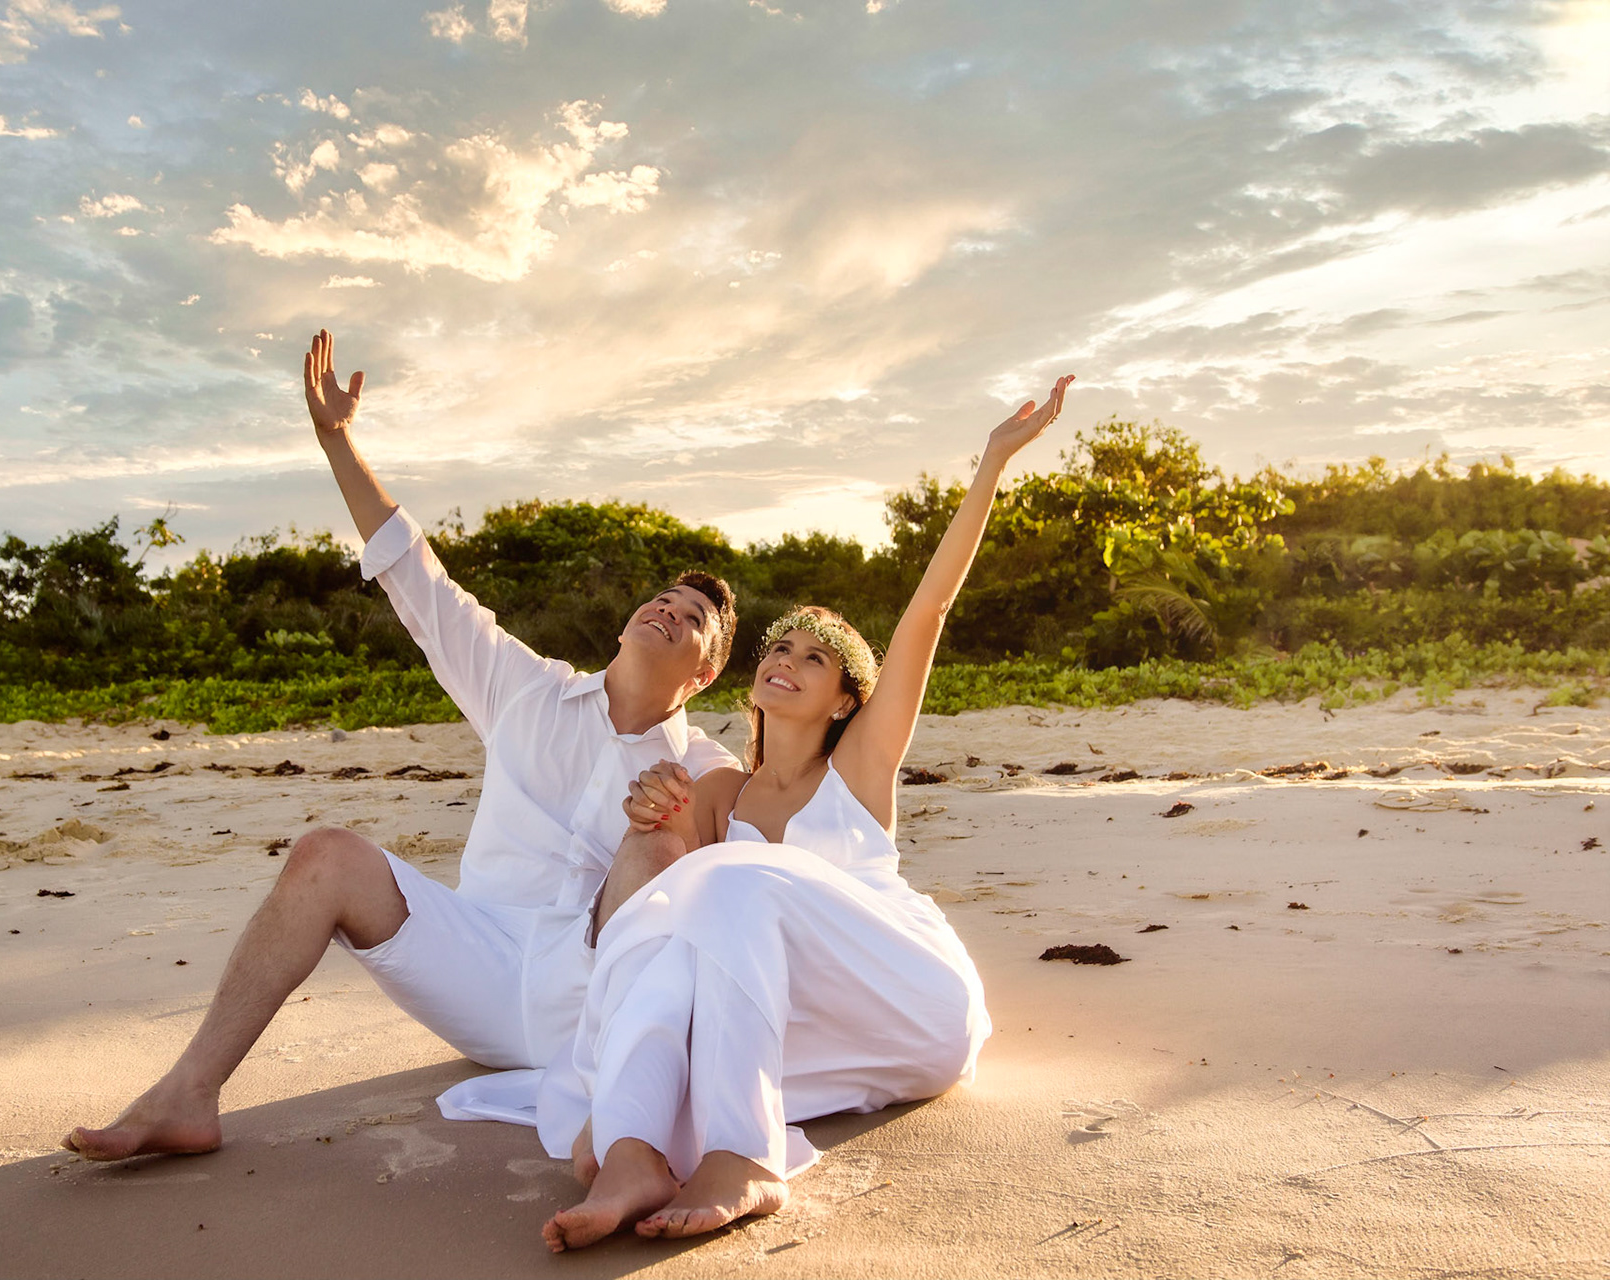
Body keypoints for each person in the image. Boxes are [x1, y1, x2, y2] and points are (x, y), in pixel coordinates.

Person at [63, 331, 741, 1161]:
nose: (667, 610)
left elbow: (760, 829)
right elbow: (419, 578)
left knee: (670, 838)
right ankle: (188, 1093)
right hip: (479, 964)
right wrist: (337, 440)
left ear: (704, 673)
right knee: (326, 855)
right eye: (662, 597)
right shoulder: (523, 687)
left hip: (594, 991)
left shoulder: (702, 763)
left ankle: (629, 1118)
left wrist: (677, 813)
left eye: (692, 618)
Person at [529, 373, 1075, 1250]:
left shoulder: (857, 768)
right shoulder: (718, 793)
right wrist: (647, 825)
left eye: (814, 659)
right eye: (779, 645)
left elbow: (927, 611)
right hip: (811, 1030)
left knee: (736, 882)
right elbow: (650, 926)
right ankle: (634, 1154)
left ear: (844, 701)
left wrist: (992, 463)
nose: (786, 659)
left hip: (909, 1001)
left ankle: (743, 1157)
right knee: (686, 929)